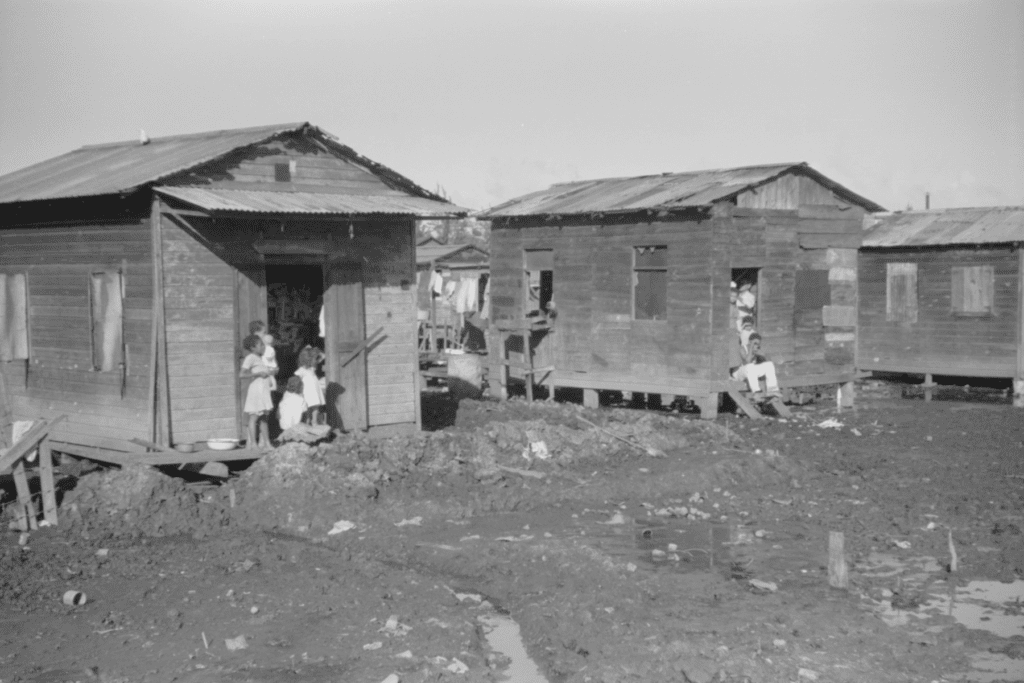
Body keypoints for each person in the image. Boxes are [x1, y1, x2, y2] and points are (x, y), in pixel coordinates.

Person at [240, 333, 273, 449]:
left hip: (263, 391)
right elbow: (241, 374)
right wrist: (258, 374)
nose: (263, 347)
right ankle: (253, 443)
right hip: (256, 391)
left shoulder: (260, 358)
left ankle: (267, 443)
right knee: (254, 417)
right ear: (253, 348)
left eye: (263, 344)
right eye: (260, 345)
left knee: (264, 418)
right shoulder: (250, 358)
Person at [732, 332, 781, 398]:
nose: (757, 345)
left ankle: (772, 390)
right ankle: (756, 392)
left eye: (758, 344)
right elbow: (747, 362)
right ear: (750, 342)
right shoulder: (743, 348)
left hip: (751, 373)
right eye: (755, 343)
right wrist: (751, 349)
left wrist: (761, 354)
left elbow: (768, 361)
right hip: (739, 373)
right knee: (750, 366)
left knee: (769, 364)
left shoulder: (758, 350)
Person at [295, 345, 325, 425]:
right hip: (307, 392)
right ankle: (307, 420)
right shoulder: (301, 370)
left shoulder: (312, 368)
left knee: (316, 406)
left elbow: (322, 356)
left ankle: (314, 421)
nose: (315, 361)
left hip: (314, 391)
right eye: (313, 359)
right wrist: (299, 391)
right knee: (308, 407)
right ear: (308, 360)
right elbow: (297, 381)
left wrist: (312, 350)